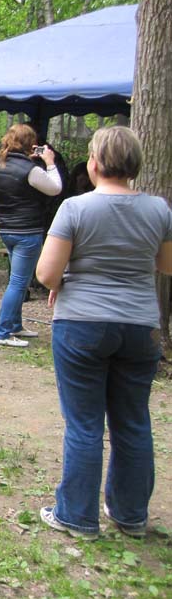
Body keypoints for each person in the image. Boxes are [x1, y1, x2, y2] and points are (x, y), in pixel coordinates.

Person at [36, 125, 172, 540]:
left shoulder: (75, 209)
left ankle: (76, 515)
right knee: (133, 421)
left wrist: (72, 277)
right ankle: (131, 516)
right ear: (134, 165)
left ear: (93, 164)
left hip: (81, 324)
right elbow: (166, 266)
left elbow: (46, 274)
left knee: (84, 424)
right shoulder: (160, 210)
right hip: (140, 326)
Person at [0, 124, 62, 347]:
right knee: (19, 283)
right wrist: (49, 163)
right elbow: (55, 188)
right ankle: (2, 332)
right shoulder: (31, 170)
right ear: (31, 144)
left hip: (7, 228)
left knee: (17, 280)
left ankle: (15, 325)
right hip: (27, 231)